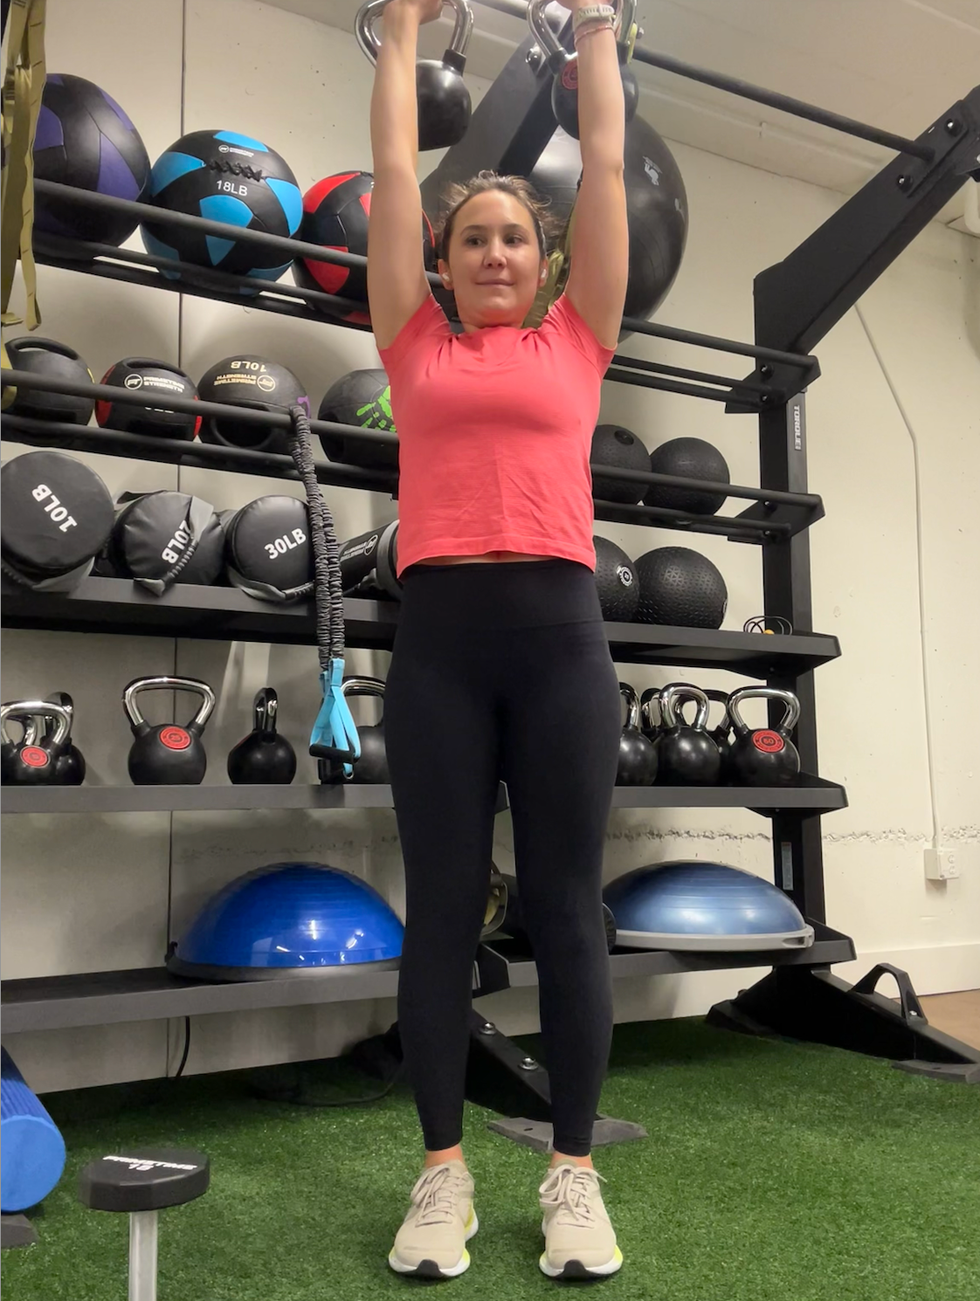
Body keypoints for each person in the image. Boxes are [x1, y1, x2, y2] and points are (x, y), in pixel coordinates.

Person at [366, 0, 629, 1281]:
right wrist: (403, 33)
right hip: (442, 650)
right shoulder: (410, 343)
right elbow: (392, 177)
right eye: (469, 236)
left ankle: (571, 1175)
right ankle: (441, 1178)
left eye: (513, 237)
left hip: (560, 645)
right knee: (437, 918)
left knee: (570, 913)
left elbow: (609, 168)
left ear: (544, 262)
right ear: (440, 257)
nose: (490, 252)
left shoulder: (577, 343)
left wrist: (595, 34)